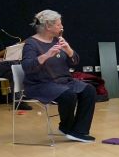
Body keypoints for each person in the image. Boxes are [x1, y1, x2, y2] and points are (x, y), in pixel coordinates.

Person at [21, 10, 96, 143]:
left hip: (62, 81)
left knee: (89, 90)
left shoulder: (58, 40)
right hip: (40, 84)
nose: (61, 27)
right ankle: (66, 127)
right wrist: (46, 55)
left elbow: (75, 61)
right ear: (48, 26)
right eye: (58, 25)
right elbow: (27, 67)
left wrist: (68, 50)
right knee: (68, 95)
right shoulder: (31, 43)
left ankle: (79, 131)